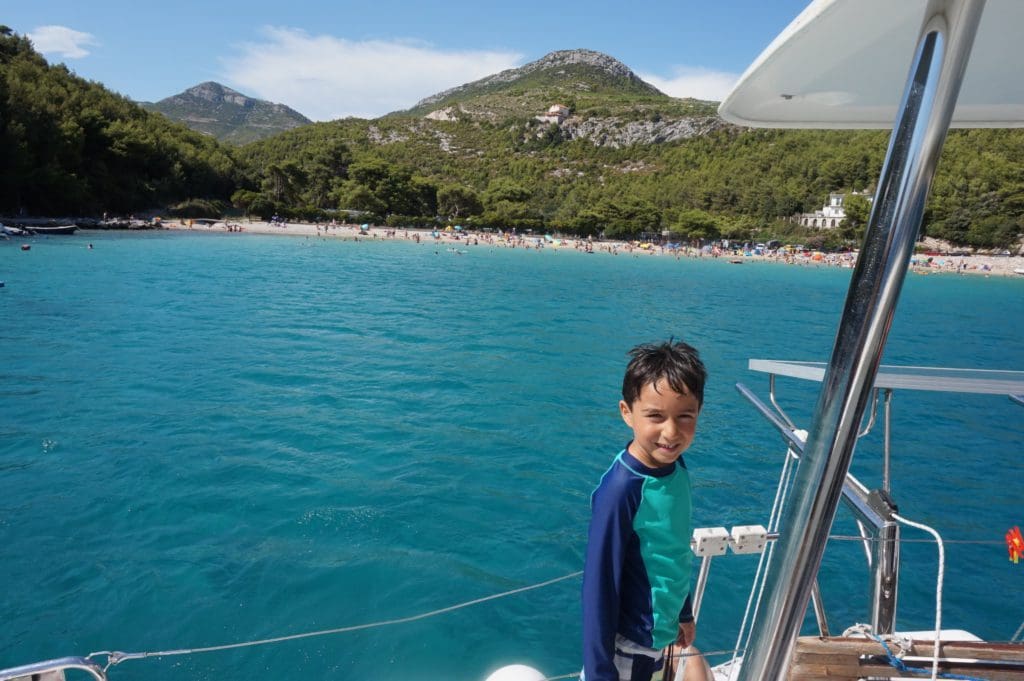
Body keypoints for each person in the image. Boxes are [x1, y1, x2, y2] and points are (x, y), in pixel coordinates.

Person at [582, 340, 710, 681]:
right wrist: (599, 672)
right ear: (627, 412)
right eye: (655, 416)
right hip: (628, 647)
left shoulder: (677, 469)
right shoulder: (621, 490)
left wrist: (683, 613)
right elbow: (599, 586)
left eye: (685, 416)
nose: (671, 432)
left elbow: (674, 550)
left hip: (659, 636)